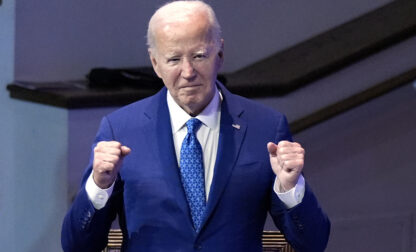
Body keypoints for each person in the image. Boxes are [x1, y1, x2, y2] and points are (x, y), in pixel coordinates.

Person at [61, 1, 330, 251]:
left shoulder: (266, 127)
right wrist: (99, 186)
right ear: (155, 63)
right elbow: (77, 246)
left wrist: (290, 188)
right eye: (174, 59)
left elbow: (313, 242)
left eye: (199, 56)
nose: (188, 72)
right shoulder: (120, 129)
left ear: (220, 54)